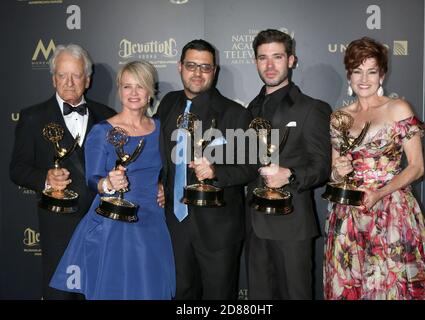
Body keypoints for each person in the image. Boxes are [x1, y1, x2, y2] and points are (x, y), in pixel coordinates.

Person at [323, 37, 425, 300]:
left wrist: (380, 193)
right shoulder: (340, 117)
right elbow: (334, 171)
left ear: (382, 74)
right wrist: (339, 172)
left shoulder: (398, 109)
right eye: (357, 71)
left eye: (371, 71)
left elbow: (416, 167)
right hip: (349, 215)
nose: (364, 79)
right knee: (350, 285)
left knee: (393, 287)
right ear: (349, 75)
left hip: (392, 211)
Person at [48, 60, 175, 299]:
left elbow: (170, 168)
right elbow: (92, 179)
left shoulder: (160, 129)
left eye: (140, 86)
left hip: (153, 221)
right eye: (127, 87)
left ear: (150, 91)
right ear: (119, 90)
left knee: (151, 289)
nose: (133, 93)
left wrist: (163, 186)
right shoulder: (102, 131)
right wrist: (108, 184)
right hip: (115, 221)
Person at [9, 44, 116, 300]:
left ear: (87, 80)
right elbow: (17, 169)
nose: (69, 82)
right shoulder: (33, 117)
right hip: (58, 227)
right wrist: (45, 178)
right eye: (62, 75)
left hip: (101, 225)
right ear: (53, 78)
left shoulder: (109, 117)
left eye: (76, 75)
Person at [157, 39, 256, 299]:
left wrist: (216, 172)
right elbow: (158, 153)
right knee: (180, 294)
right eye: (191, 65)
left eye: (205, 67)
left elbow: (250, 167)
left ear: (215, 71)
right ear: (180, 67)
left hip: (218, 229)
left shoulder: (235, 113)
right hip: (174, 225)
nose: (197, 73)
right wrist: (157, 181)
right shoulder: (167, 104)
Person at [245, 29, 332, 300]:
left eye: (277, 57)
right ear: (255, 62)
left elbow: (322, 166)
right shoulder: (249, 109)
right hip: (253, 225)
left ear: (291, 60)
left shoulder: (312, 108)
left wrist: (290, 174)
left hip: (292, 224)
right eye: (263, 58)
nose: (270, 66)